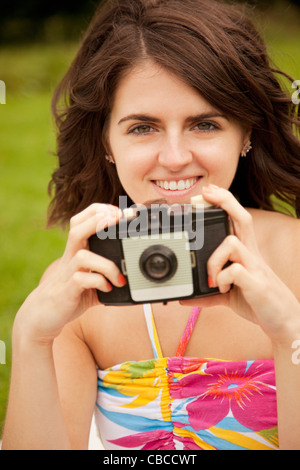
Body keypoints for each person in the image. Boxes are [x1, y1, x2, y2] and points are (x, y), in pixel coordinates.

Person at [2, 0, 300, 451]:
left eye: (204, 124)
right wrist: (31, 339)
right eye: (143, 128)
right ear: (106, 141)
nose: (176, 157)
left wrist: (289, 333)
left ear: (247, 133)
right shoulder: (79, 291)